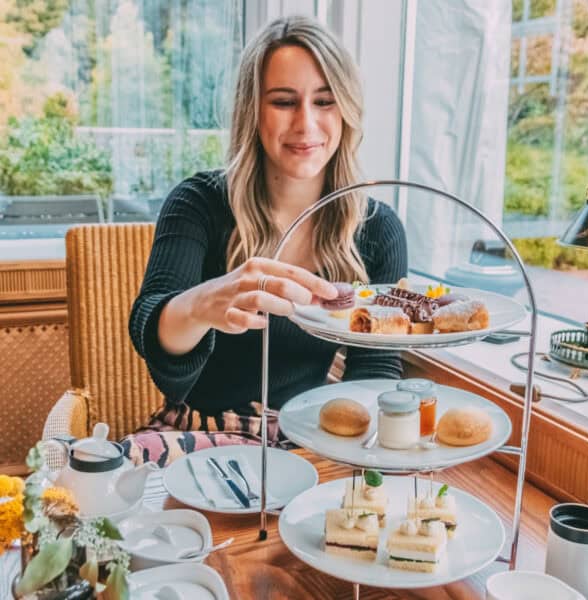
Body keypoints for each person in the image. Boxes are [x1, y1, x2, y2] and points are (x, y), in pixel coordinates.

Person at [124, 15, 407, 465]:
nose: (306, 123)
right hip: (199, 437)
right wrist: (202, 305)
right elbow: (154, 338)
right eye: (283, 101)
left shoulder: (376, 227)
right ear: (251, 110)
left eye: (325, 101)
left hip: (310, 441)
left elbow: (374, 370)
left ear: (347, 110)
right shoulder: (199, 204)